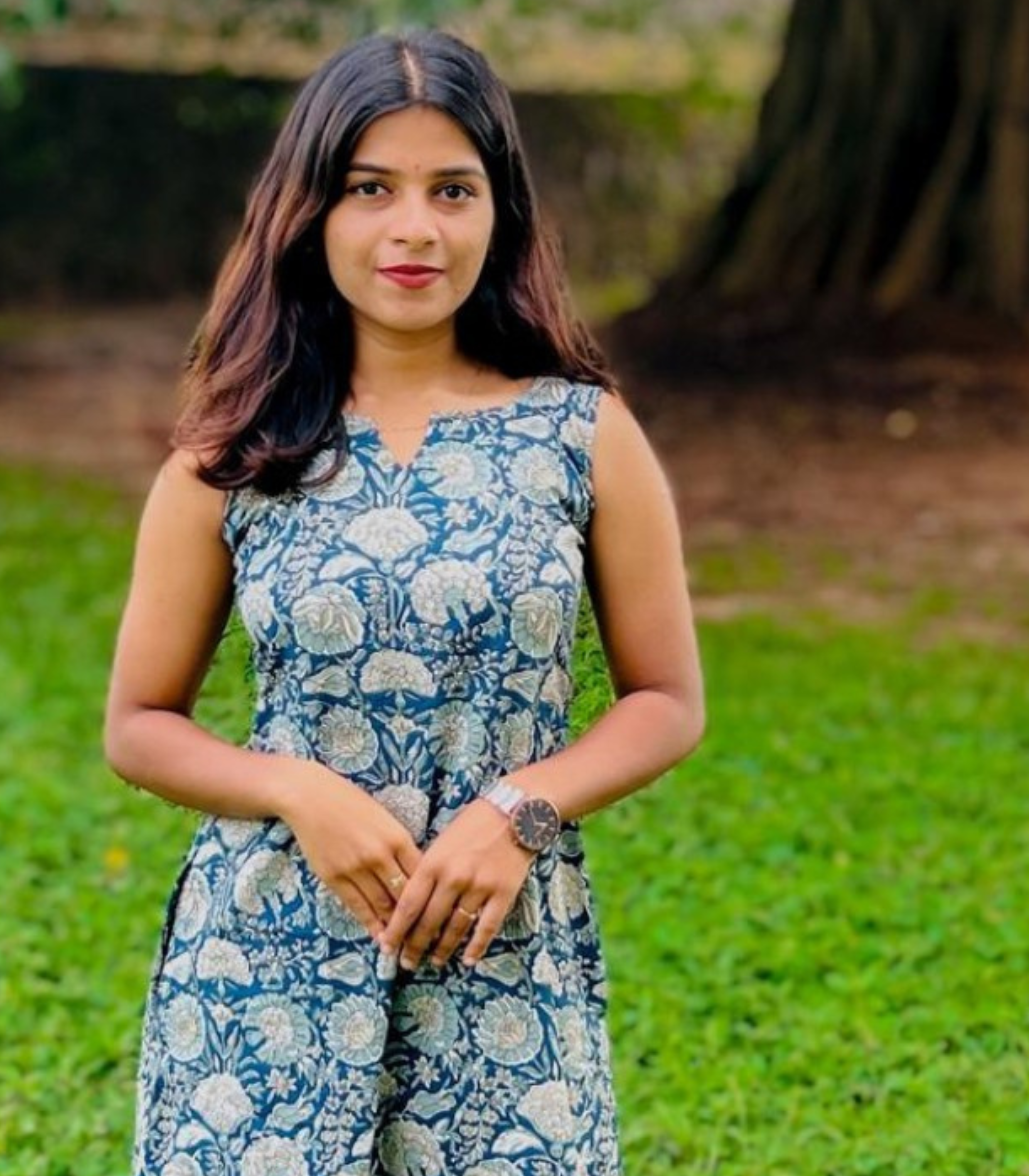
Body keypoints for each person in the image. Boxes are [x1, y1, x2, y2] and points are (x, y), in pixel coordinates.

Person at [100, 27, 706, 1175]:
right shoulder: (232, 452)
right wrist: (296, 792)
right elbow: (138, 723)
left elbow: (667, 700)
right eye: (369, 188)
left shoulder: (581, 434)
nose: (413, 228)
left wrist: (520, 810)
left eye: (451, 189)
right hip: (262, 971)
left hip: (501, 961)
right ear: (310, 212)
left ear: (501, 211)